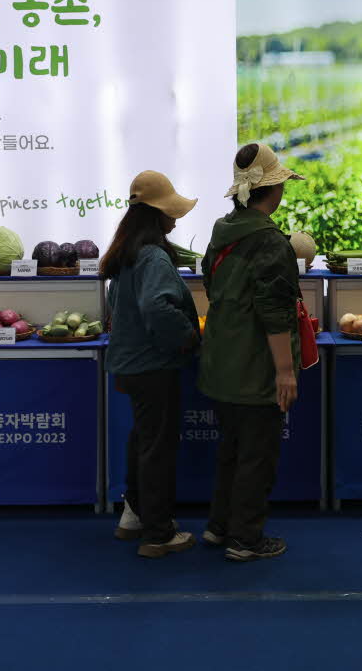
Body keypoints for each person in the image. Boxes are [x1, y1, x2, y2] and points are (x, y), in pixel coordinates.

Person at [198, 142, 302, 562]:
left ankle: (219, 526)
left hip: (221, 360)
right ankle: (246, 539)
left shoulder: (221, 231)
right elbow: (274, 312)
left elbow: (211, 286)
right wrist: (285, 371)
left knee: (231, 449)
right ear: (273, 190)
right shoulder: (270, 242)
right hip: (255, 365)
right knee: (257, 456)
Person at [102, 171, 202, 558]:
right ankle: (159, 533)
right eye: (169, 211)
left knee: (142, 440)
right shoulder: (154, 256)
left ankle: (133, 517)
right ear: (156, 214)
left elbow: (118, 307)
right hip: (153, 365)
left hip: (129, 363)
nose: (174, 218)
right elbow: (156, 307)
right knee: (158, 447)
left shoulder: (126, 254)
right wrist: (187, 337)